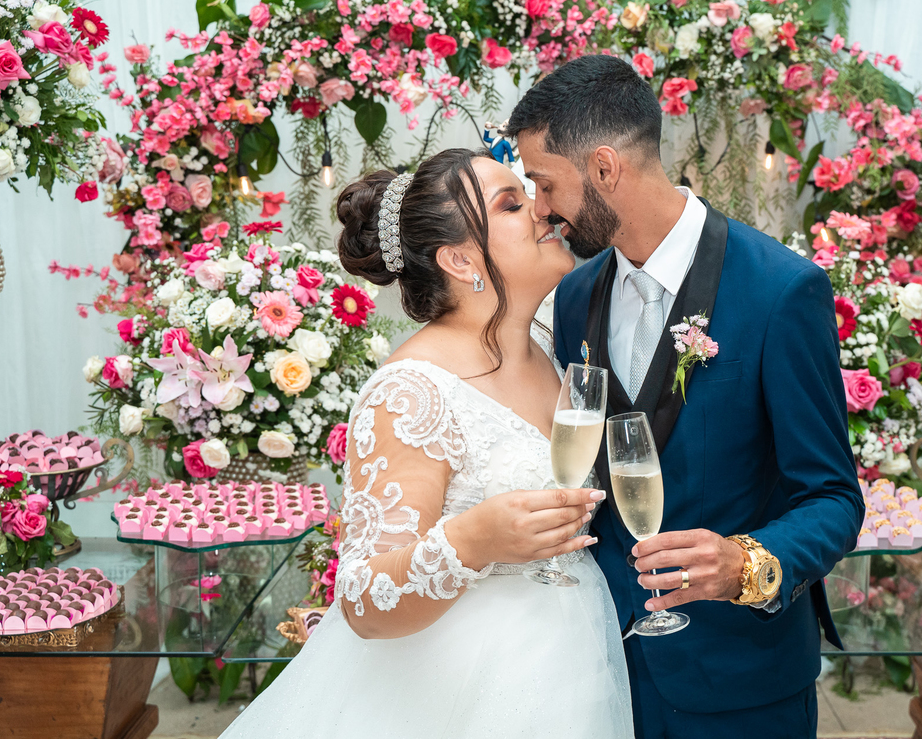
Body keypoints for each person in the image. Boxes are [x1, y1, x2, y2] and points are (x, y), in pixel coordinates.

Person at [507, 54, 865, 738]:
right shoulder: (576, 294)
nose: (542, 209)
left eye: (545, 184)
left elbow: (833, 496)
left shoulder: (781, 291)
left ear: (605, 168)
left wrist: (749, 563)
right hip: (600, 668)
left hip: (739, 683)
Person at [220, 148, 633, 738]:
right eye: (513, 204)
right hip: (460, 692)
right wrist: (473, 539)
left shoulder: (554, 344)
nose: (544, 212)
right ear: (461, 258)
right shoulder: (412, 394)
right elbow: (362, 598)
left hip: (572, 665)